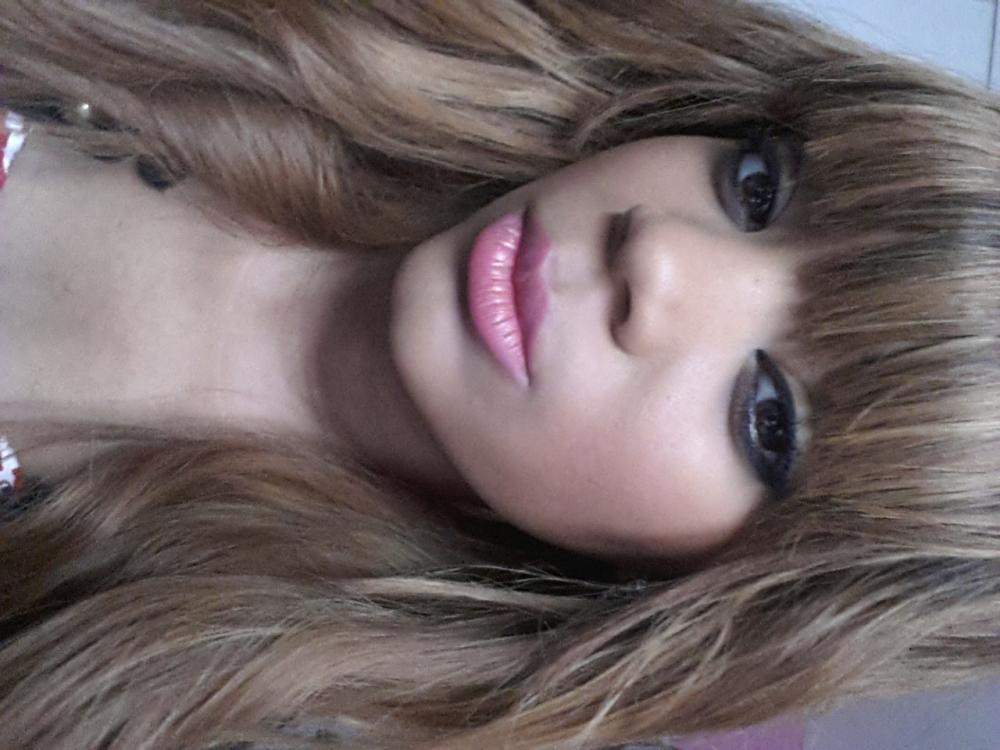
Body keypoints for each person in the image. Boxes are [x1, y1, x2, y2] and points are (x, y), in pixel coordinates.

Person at [1, 1, 998, 748]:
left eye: (768, 419)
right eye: (758, 187)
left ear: (726, 596)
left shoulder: (180, 705)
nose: (658, 258)